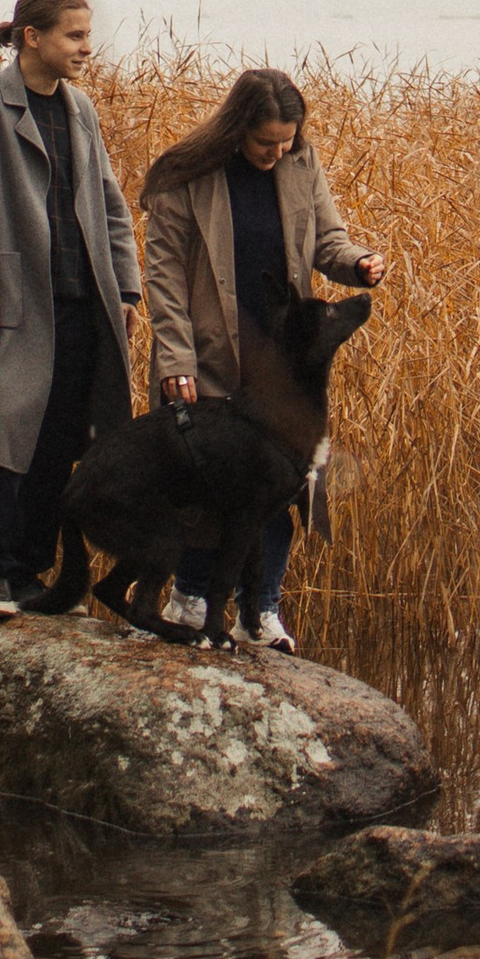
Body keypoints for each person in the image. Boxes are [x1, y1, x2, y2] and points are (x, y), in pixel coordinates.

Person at [142, 69, 385, 651]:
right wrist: (176, 356)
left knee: (283, 485)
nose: (277, 153)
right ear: (235, 129)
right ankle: (191, 597)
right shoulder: (185, 174)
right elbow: (164, 273)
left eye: (287, 142)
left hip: (282, 365)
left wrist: (356, 263)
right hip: (208, 355)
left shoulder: (301, 163)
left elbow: (327, 240)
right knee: (207, 485)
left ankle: (262, 611)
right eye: (265, 143)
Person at [0, 0, 144, 621]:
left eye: (87, 34)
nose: (87, 46)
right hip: (15, 304)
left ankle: (34, 576)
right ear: (33, 37)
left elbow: (109, 203)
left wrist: (128, 287)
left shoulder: (80, 109)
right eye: (74, 35)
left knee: (62, 441)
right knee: (4, 438)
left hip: (84, 303)